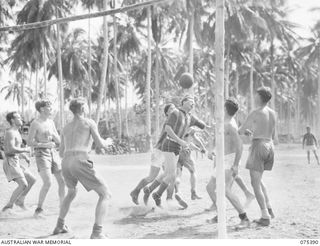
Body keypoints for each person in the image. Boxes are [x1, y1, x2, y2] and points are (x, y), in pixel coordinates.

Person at [53, 98, 113, 239]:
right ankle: (97, 233)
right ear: (82, 108)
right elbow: (100, 144)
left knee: (71, 192)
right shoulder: (89, 122)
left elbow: (61, 152)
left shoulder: (65, 127)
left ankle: (59, 225)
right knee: (105, 194)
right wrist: (108, 142)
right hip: (80, 160)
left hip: (66, 162)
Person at [145, 95, 210, 207]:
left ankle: (150, 190)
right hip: (169, 144)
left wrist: (211, 126)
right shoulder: (175, 113)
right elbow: (167, 129)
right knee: (172, 175)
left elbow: (203, 126)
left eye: (194, 103)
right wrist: (180, 141)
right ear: (183, 102)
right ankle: (157, 194)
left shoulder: (190, 117)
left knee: (168, 174)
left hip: (177, 148)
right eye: (191, 101)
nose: (193, 104)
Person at [206, 99, 250, 227]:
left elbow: (240, 146)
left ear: (225, 109)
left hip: (230, 160)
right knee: (209, 188)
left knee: (225, 190)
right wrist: (211, 150)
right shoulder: (223, 123)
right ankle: (221, 215)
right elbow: (217, 137)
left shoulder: (230, 125)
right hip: (221, 159)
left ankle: (244, 218)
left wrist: (235, 165)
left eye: (222, 106)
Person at [239, 87, 276, 227]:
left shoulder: (255, 112)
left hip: (259, 146)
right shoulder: (272, 113)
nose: (254, 96)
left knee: (255, 183)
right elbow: (270, 132)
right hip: (269, 145)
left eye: (256, 95)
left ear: (260, 97)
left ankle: (265, 216)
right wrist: (252, 133)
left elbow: (241, 130)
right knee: (259, 180)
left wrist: (242, 131)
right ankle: (269, 208)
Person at [129, 103, 177, 205]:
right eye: (171, 109)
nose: (174, 110)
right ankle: (136, 191)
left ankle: (160, 196)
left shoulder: (175, 122)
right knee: (152, 177)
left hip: (167, 152)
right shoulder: (168, 122)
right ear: (167, 113)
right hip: (159, 152)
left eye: (175, 108)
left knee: (170, 176)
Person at [27, 100, 66, 216]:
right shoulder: (35, 123)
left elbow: (58, 140)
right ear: (42, 109)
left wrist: (55, 136)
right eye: (49, 107)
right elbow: (29, 142)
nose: (51, 109)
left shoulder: (51, 122)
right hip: (41, 154)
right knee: (48, 182)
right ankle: (39, 209)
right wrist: (44, 144)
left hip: (53, 153)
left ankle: (63, 206)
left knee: (62, 181)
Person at [2, 112, 36, 211]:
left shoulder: (17, 132)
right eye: (18, 117)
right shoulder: (10, 132)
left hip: (15, 161)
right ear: (12, 120)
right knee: (23, 184)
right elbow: (10, 150)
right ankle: (8, 207)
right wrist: (26, 150)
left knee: (32, 179)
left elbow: (14, 149)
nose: (21, 119)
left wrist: (24, 156)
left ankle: (20, 201)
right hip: (10, 162)